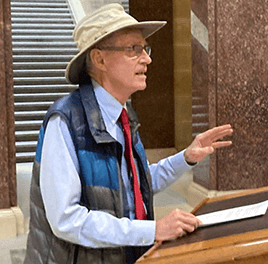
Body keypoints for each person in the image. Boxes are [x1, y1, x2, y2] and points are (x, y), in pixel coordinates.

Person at [24, 3, 233, 264]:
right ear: (99, 59)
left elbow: (136, 185)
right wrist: (152, 230)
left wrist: (187, 157)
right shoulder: (65, 120)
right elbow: (66, 220)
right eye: (133, 50)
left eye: (145, 49)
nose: (147, 59)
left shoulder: (122, 116)